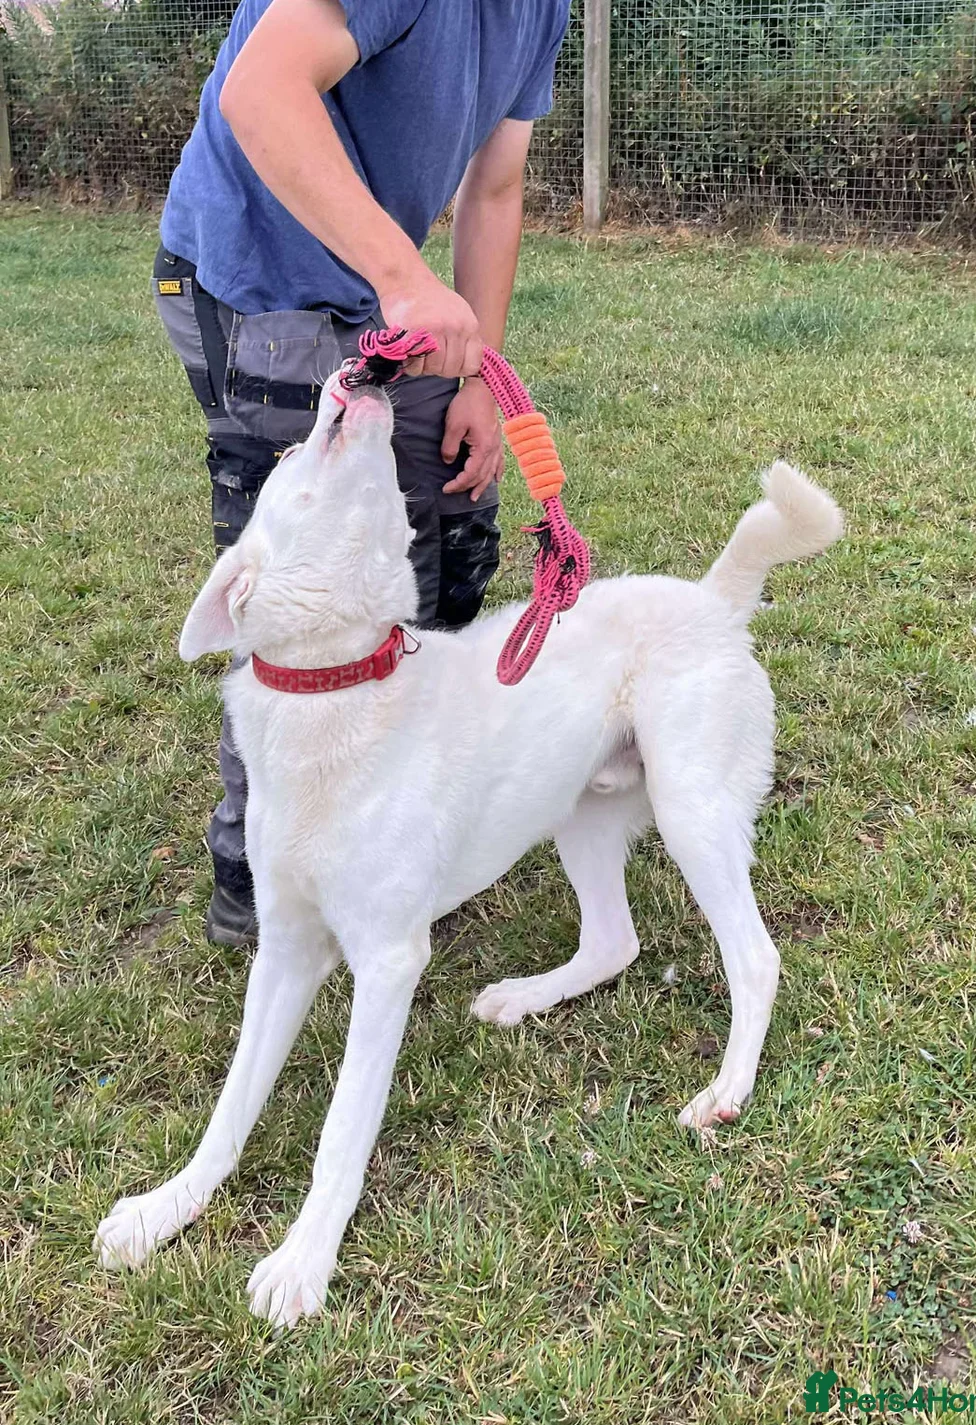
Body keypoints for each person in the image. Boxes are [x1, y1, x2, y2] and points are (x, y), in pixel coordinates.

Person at [154, 0, 570, 947]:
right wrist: (403, 277)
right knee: (316, 580)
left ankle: (409, 821)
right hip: (249, 278)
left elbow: (495, 190)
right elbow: (261, 88)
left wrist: (478, 373)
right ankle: (256, 877)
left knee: (451, 532)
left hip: (368, 284)